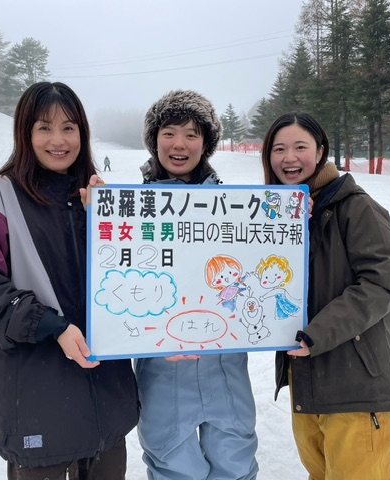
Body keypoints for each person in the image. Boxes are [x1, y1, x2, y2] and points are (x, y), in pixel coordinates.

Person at [0, 82, 139, 480]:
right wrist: (52, 327)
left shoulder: (100, 200)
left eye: (69, 128)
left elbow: (138, 283)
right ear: (25, 133)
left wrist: (102, 221)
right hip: (37, 406)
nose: (58, 140)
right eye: (44, 128)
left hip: (107, 407)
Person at [261, 112, 390, 480]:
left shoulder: (357, 207)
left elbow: (384, 283)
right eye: (279, 149)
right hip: (306, 383)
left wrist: (317, 333)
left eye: (300, 147)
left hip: (356, 385)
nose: (288, 158)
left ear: (321, 151)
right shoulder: (280, 215)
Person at [135, 89, 259, 480]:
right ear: (154, 139)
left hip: (225, 365)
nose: (180, 144)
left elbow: (266, 269)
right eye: (169, 132)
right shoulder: (131, 209)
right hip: (163, 366)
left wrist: (291, 223)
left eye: (192, 134)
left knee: (235, 459)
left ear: (206, 144)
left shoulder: (237, 208)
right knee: (171, 459)